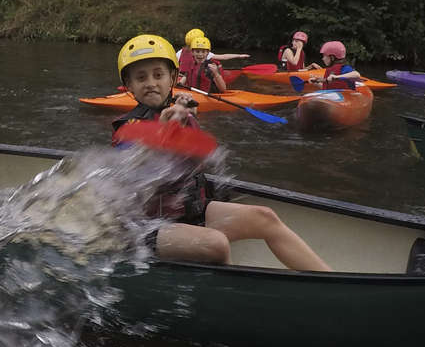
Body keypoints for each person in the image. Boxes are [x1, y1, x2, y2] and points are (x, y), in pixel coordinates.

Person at [111, 34, 331, 271]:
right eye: (141, 78)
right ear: (130, 85)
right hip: (145, 228)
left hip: (187, 212)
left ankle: (327, 279)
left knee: (265, 217)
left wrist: (182, 125)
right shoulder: (128, 128)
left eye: (158, 75)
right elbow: (131, 168)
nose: (151, 83)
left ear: (172, 77)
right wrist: (161, 133)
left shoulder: (179, 114)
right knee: (216, 244)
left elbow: (200, 157)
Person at [176, 28, 249, 75]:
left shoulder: (180, 52)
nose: (200, 54)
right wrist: (239, 55)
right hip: (191, 77)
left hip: (181, 77)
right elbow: (223, 57)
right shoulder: (204, 53)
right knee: (218, 66)